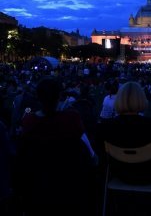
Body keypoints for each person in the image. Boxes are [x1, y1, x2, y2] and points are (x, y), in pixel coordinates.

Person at [15, 76, 97, 216]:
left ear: (38, 97)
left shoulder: (29, 122)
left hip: (38, 188)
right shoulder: (72, 119)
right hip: (68, 187)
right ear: (59, 96)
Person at [96, 81, 151, 185]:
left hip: (118, 173)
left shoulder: (106, 127)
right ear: (142, 99)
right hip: (150, 174)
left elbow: (101, 153)